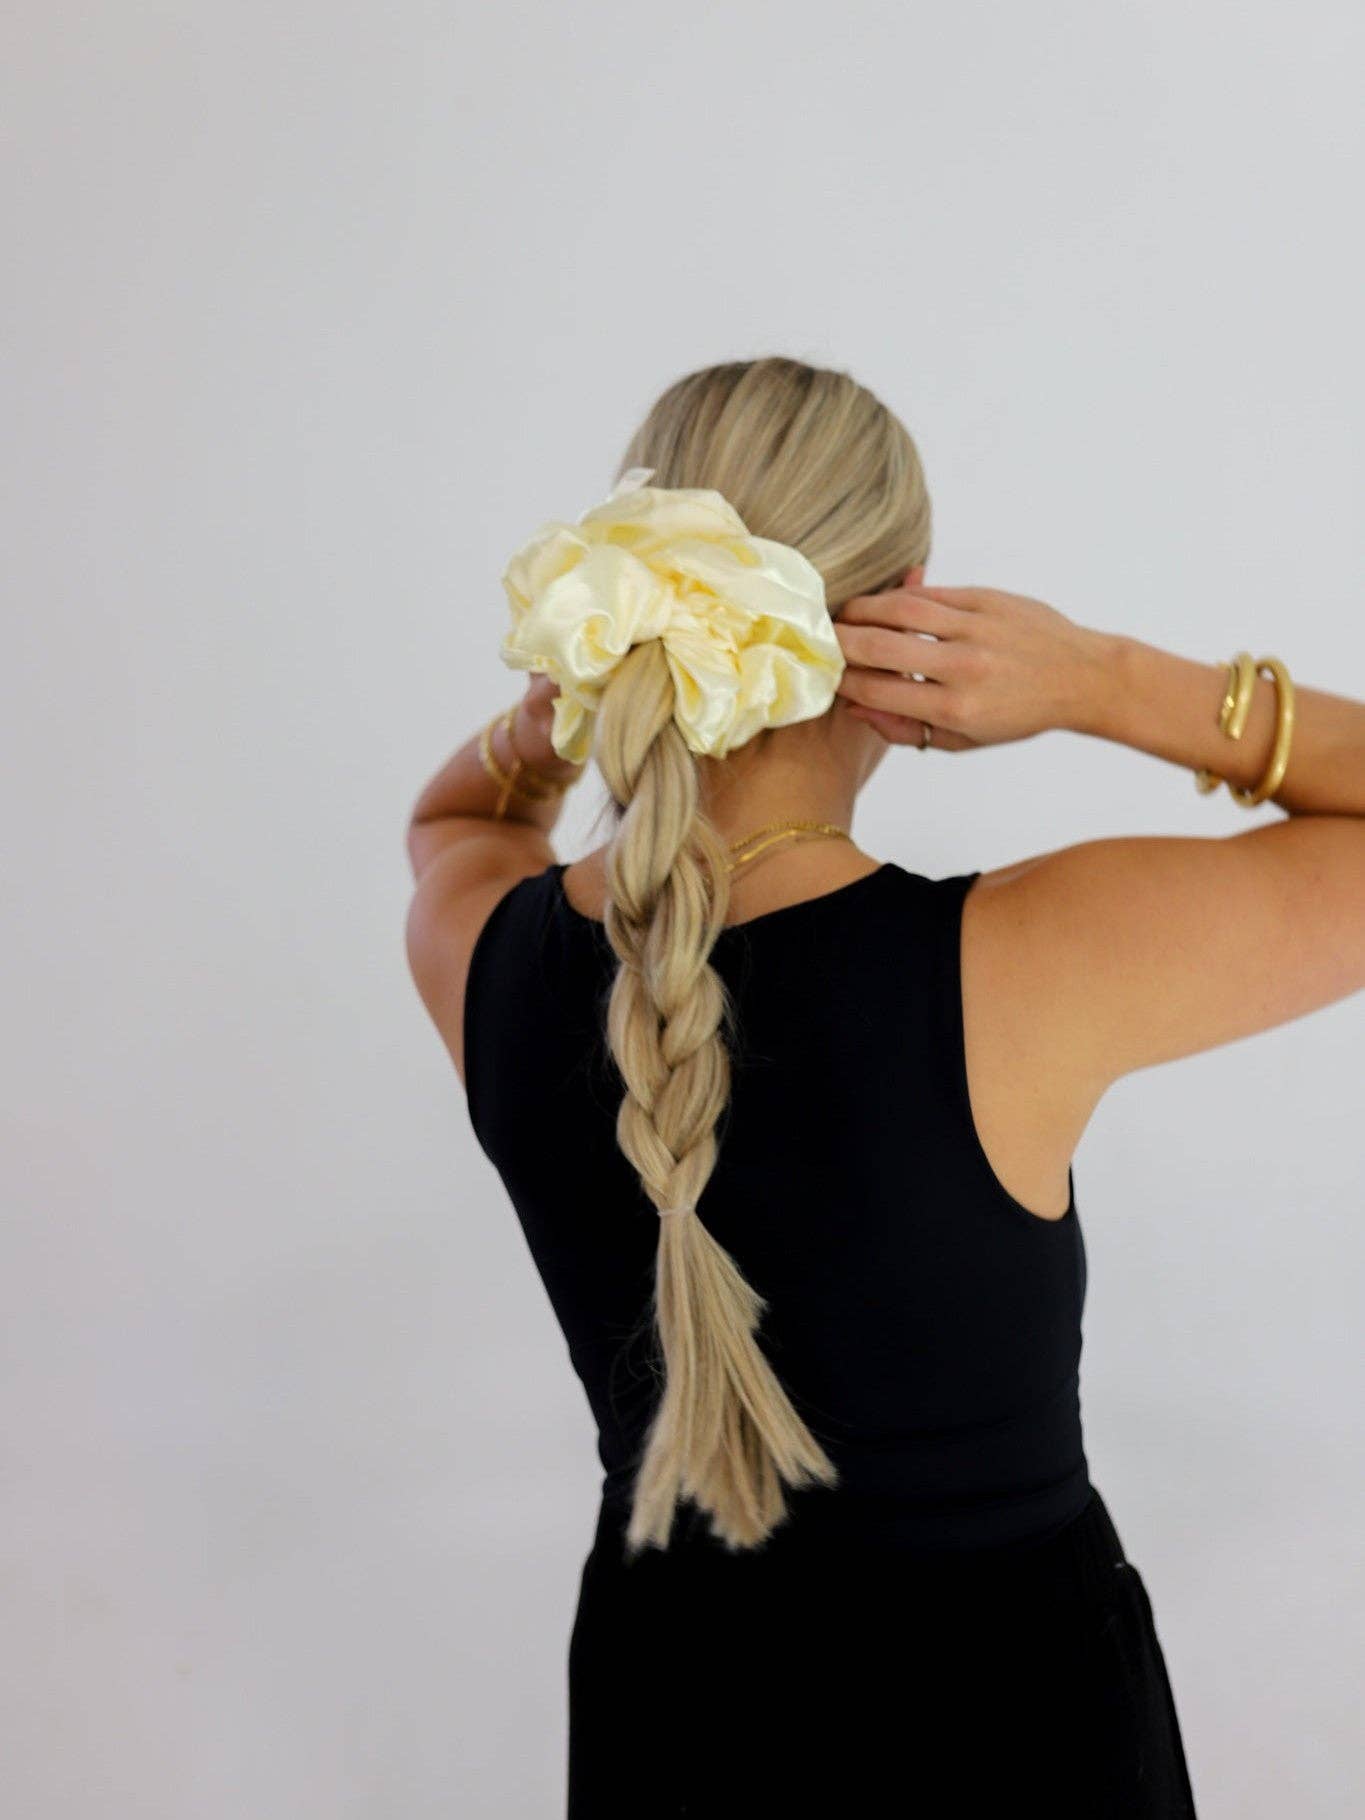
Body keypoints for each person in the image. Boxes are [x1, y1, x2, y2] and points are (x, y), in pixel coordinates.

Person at [404, 357, 1365, 1818]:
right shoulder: (1023, 963)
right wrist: (1106, 679)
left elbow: (454, 820)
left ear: (613, 595)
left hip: (669, 1710)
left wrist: (562, 715)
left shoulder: (483, 953)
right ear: (909, 603)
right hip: (1009, 1726)